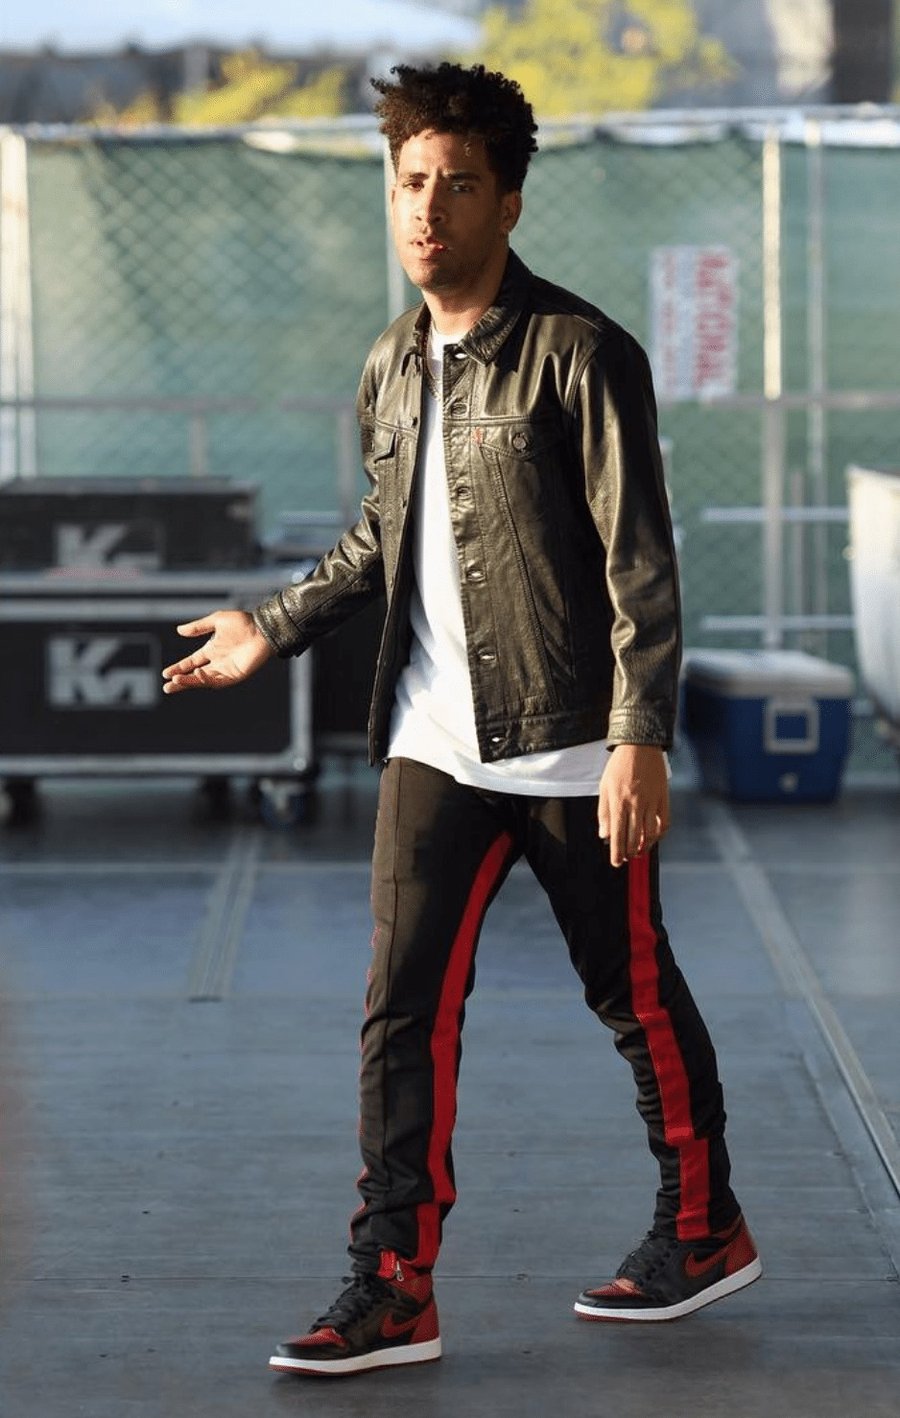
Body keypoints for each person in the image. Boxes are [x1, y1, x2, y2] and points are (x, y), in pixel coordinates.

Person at [162, 61, 761, 1378]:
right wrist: (275, 622)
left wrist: (640, 735)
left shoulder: (583, 354)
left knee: (633, 992)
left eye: (458, 185)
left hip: (573, 740)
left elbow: (641, 561)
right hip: (433, 739)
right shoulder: (390, 361)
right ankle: (394, 1281)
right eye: (410, 183)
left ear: (510, 201)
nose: (427, 209)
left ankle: (704, 1224)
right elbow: (384, 538)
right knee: (401, 1011)